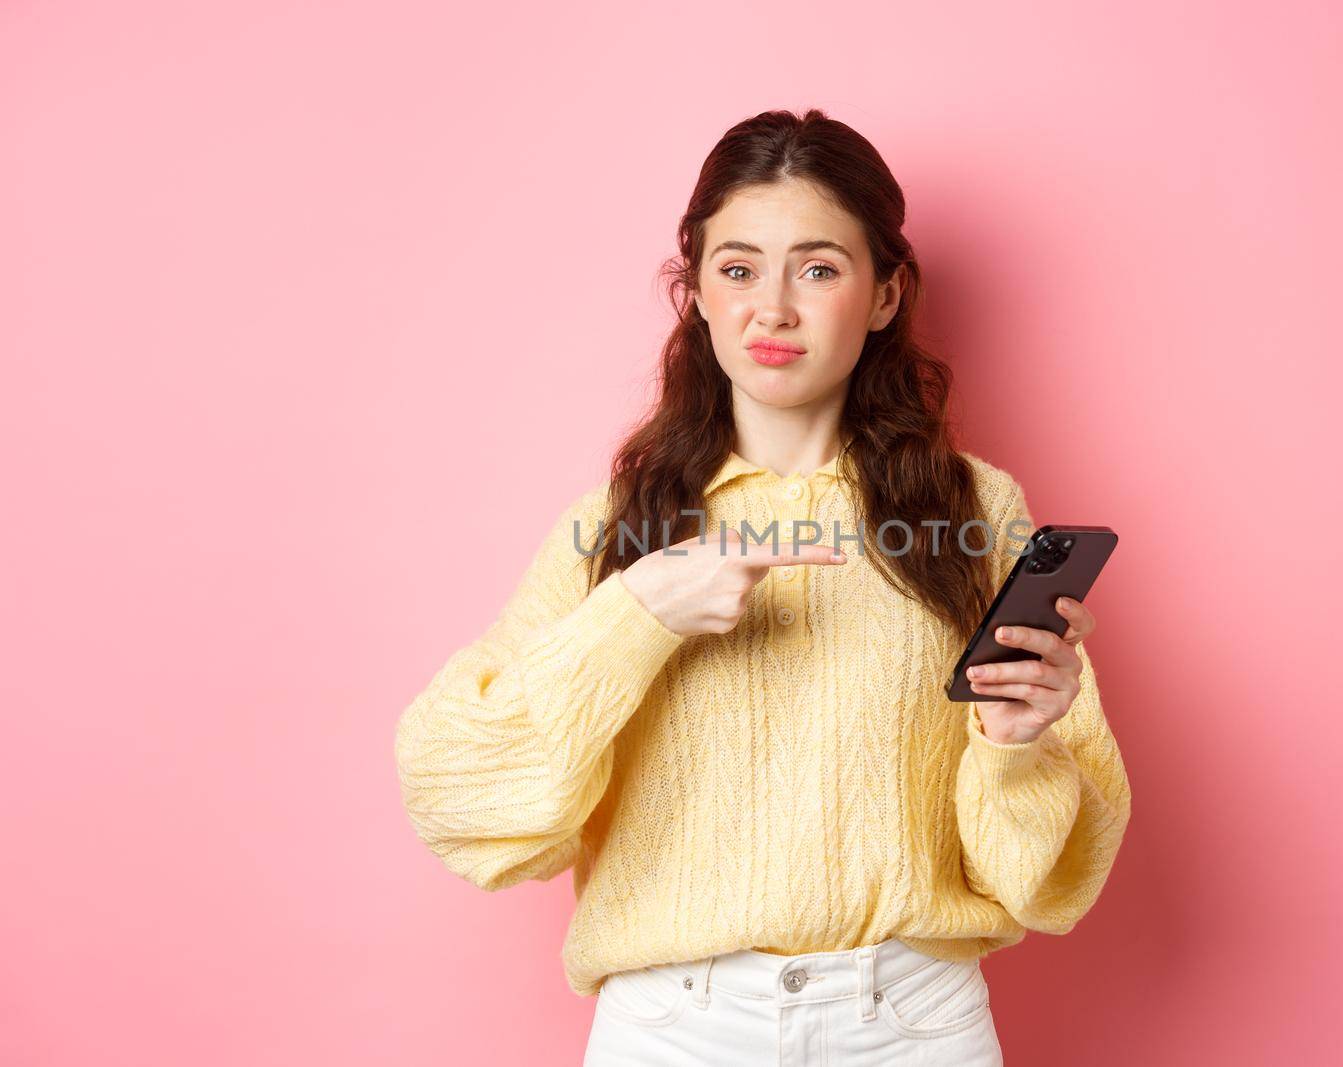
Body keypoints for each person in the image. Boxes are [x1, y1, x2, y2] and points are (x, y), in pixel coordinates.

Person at [393, 107, 1132, 1066]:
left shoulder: (978, 510)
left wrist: (1015, 744)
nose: (772, 309)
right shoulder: (622, 524)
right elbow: (460, 791)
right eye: (737, 269)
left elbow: (1046, 882)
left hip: (910, 1024)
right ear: (695, 290)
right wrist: (638, 617)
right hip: (674, 1029)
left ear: (883, 295)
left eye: (818, 268)